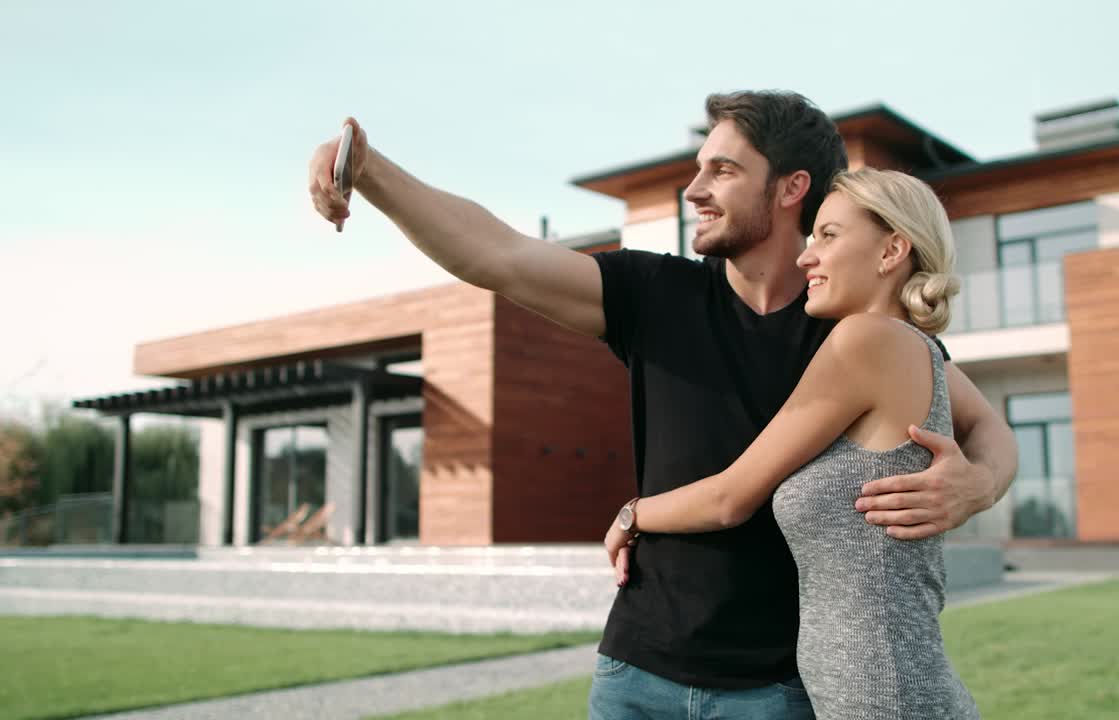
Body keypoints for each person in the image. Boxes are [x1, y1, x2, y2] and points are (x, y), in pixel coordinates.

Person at [308, 90, 1018, 719]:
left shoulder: (851, 324)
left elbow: (987, 426)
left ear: (790, 188)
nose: (694, 190)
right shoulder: (655, 292)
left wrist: (978, 483)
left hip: (779, 692)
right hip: (635, 674)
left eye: (723, 170)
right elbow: (497, 255)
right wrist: (370, 172)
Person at [604, 166, 980, 719]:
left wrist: (631, 514)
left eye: (828, 236)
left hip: (885, 700)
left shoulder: (866, 340)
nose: (807, 257)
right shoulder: (904, 349)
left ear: (892, 250)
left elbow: (731, 496)